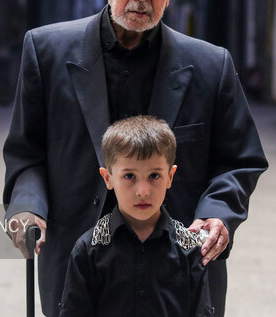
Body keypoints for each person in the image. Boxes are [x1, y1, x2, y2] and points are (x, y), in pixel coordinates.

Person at [3, 0, 268, 317]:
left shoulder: (211, 66)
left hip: (179, 270)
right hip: (79, 265)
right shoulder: (46, 51)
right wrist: (27, 206)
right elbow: (27, 151)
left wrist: (218, 214)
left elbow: (240, 160)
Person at [59, 116, 213, 317]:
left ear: (170, 177)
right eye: (129, 176)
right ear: (108, 178)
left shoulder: (189, 248)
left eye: (154, 176)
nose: (143, 191)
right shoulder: (88, 250)